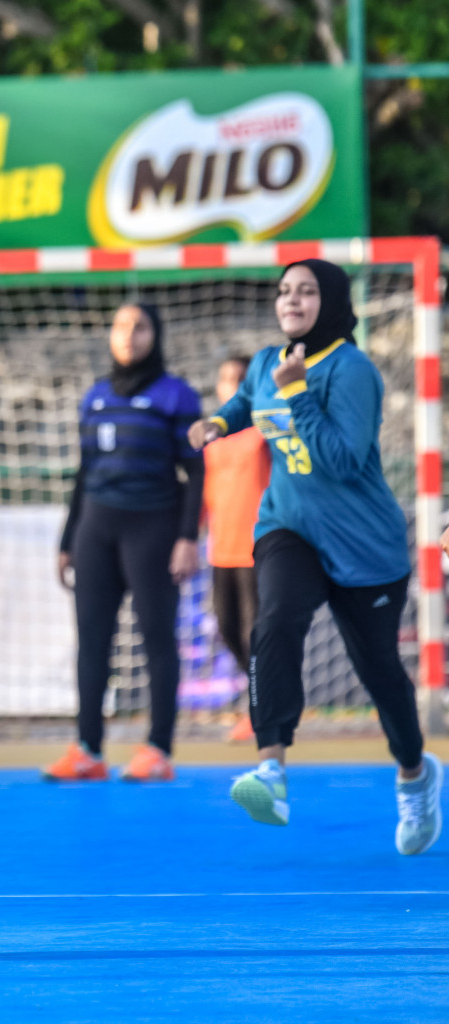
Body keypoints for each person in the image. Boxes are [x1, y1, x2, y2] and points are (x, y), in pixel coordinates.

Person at [189, 259, 441, 855]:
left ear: (329, 301)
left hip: (363, 545)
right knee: (272, 621)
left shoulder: (352, 371)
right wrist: (217, 423)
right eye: (283, 291)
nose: (291, 300)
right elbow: (250, 402)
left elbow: (342, 461)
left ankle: (414, 774)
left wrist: (297, 393)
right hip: (289, 525)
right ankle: (271, 769)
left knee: (379, 670)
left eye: (305, 291)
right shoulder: (264, 364)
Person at [46, 302, 203, 783]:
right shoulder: (94, 397)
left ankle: (159, 748)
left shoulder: (177, 396)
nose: (129, 335)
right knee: (91, 641)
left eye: (140, 327)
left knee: (158, 639)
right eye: (121, 326)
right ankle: (89, 749)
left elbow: (196, 470)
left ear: (156, 335)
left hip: (153, 529)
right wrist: (67, 540)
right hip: (96, 529)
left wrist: (187, 537)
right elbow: (84, 472)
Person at [201, 356, 269, 743]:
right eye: (226, 377)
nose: (232, 383)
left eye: (240, 378)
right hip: (221, 548)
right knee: (227, 629)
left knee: (253, 633)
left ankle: (260, 712)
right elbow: (204, 489)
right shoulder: (212, 435)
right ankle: (269, 695)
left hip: (256, 546)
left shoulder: (264, 429)